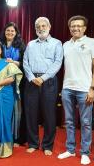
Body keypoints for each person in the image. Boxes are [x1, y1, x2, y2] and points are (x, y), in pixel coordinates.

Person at [57, 16, 94, 165]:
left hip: (85, 89)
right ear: (70, 28)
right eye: (73, 26)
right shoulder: (65, 45)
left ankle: (85, 152)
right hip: (67, 88)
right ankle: (70, 150)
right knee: (69, 121)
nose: (75, 28)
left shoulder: (92, 42)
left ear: (84, 28)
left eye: (79, 26)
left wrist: (93, 88)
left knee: (86, 122)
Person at [23, 17, 63, 156]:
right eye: (38, 26)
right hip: (32, 81)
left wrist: (43, 78)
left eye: (43, 25)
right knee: (31, 114)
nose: (41, 28)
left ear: (49, 26)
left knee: (49, 114)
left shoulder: (57, 43)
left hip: (49, 81)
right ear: (35, 29)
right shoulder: (30, 44)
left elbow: (58, 62)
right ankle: (33, 143)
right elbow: (25, 62)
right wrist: (32, 78)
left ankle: (47, 145)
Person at [0, 22, 26, 145]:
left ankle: (16, 137)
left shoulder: (21, 46)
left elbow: (24, 63)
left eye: (12, 31)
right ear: (4, 32)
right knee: (2, 108)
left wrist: (13, 62)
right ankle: (2, 135)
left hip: (16, 82)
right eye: (8, 30)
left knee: (16, 109)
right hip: (0, 80)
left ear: (16, 33)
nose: (10, 33)